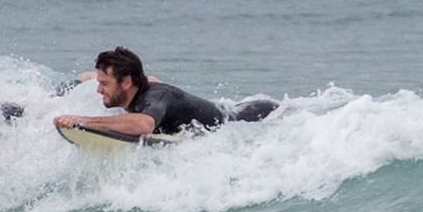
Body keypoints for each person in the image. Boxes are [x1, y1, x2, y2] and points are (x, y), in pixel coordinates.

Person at [53, 47, 278, 136]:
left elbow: (144, 125)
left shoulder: (154, 98)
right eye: (98, 81)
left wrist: (82, 121)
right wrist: (85, 79)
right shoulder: (138, 86)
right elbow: (151, 79)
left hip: (247, 117)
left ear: (127, 82)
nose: (99, 90)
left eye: (105, 84)